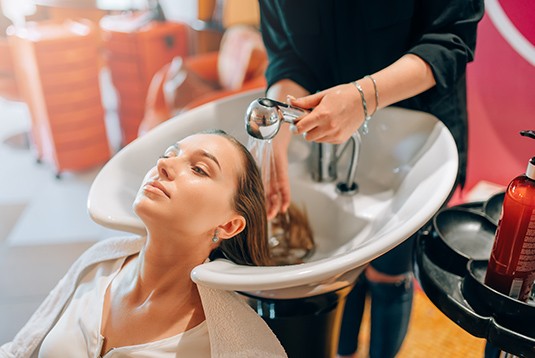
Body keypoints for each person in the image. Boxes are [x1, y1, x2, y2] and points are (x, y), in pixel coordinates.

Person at [257, 1, 484, 357]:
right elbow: (287, 55)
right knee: (340, 273)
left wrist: (364, 97)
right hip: (329, 144)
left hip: (414, 139)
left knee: (387, 274)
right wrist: (276, 130)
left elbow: (450, 39)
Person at [0, 130, 287, 358]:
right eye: (168, 154)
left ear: (228, 226)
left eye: (199, 169)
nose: (163, 164)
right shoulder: (100, 263)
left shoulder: (237, 345)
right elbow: (21, 348)